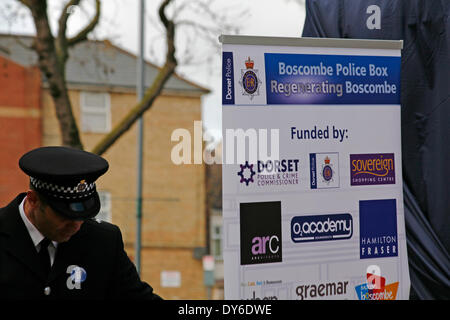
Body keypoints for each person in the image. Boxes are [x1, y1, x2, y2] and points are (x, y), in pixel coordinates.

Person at [0, 146, 162, 299]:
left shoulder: (103, 241)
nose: (76, 226)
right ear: (33, 200)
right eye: (64, 215)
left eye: (84, 216)